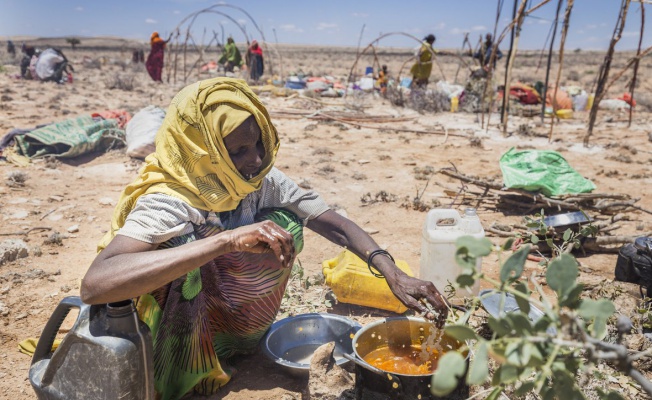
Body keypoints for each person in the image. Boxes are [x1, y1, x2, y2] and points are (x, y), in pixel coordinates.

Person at [81, 77, 449, 400]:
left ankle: (233, 340)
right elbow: (96, 284)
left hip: (215, 302)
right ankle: (182, 371)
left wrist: (392, 272)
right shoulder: (171, 198)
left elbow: (330, 222)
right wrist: (226, 240)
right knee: (180, 247)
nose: (257, 159)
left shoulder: (256, 181)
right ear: (204, 151)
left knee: (285, 222)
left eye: (257, 143)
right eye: (239, 150)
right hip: (149, 326)